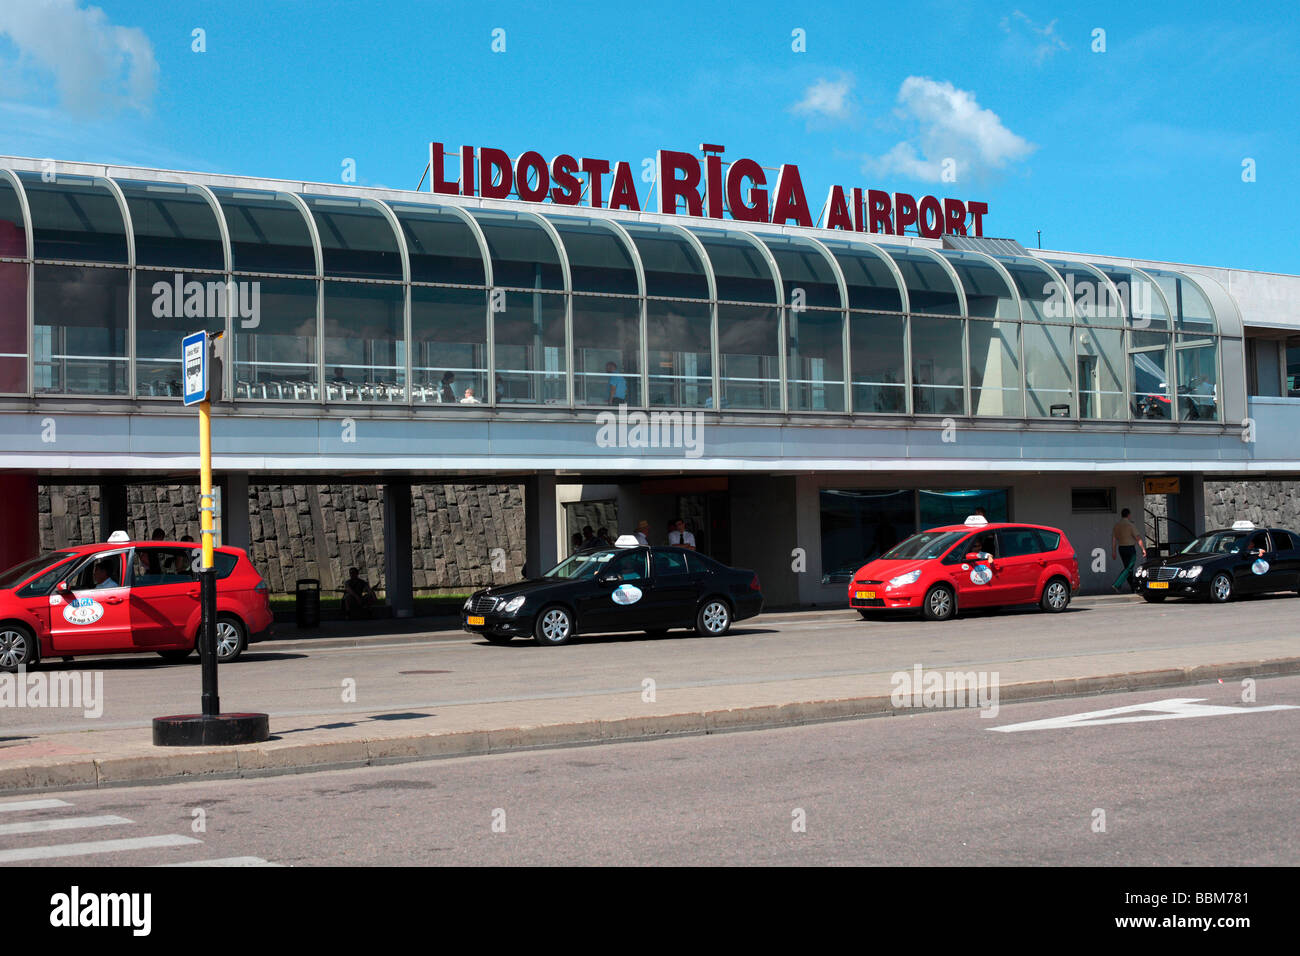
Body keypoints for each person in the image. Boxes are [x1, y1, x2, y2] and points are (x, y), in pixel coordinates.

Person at [1111, 508, 1147, 592]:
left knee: (1128, 569)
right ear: (1128, 515)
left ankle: (1133, 588)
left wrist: (1113, 551)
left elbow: (1113, 540)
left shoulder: (1117, 525)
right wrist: (1143, 549)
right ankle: (1117, 584)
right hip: (1130, 549)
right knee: (1129, 568)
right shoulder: (1130, 525)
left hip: (1121, 549)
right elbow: (1138, 538)